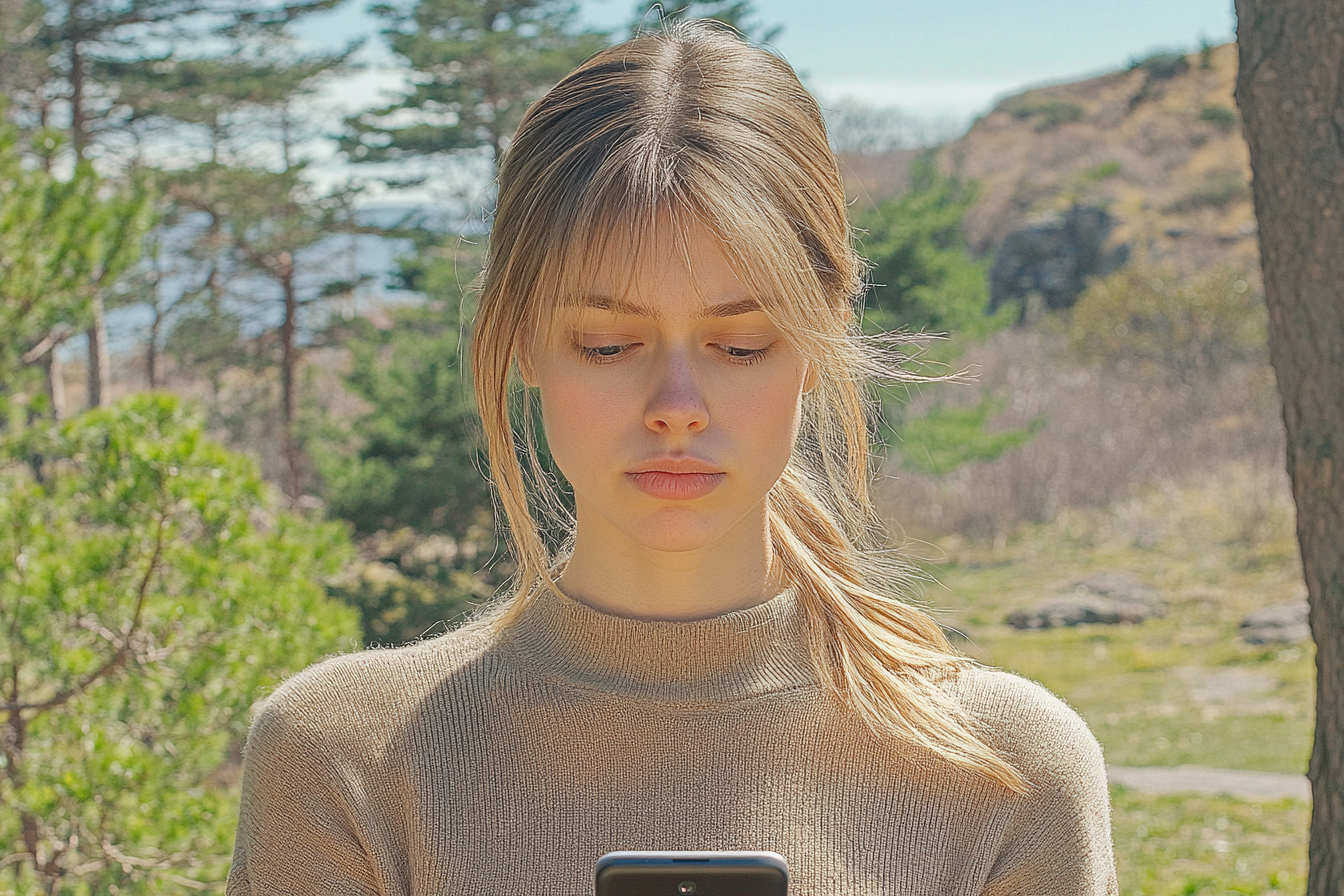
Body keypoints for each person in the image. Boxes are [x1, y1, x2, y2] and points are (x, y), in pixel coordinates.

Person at [226, 19, 1117, 896]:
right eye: (610, 344)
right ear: (523, 342)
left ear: (819, 343)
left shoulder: (1008, 776)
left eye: (741, 345)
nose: (677, 411)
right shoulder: (340, 759)